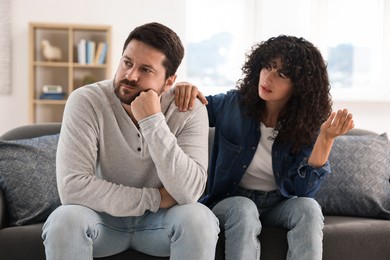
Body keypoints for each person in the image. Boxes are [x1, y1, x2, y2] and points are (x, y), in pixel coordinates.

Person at [42, 22, 219, 260]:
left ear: (169, 81)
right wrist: (156, 198)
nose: (130, 75)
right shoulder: (86, 101)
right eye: (127, 63)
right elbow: (72, 187)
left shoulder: (188, 108)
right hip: (102, 221)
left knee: (199, 219)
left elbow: (188, 193)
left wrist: (153, 121)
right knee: (64, 220)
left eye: (146, 70)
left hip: (161, 225)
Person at [174, 35, 354, 260]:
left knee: (309, 208)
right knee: (244, 208)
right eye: (267, 67)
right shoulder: (231, 104)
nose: (268, 78)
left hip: (278, 203)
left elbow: (303, 192)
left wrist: (326, 139)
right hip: (231, 201)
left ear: (299, 86)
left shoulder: (306, 124)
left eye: (282, 74)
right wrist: (182, 89)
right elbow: (188, 110)